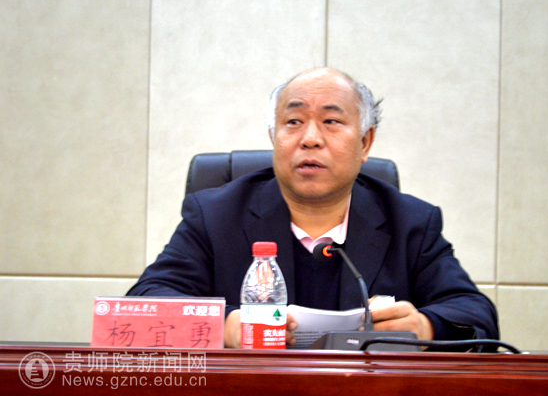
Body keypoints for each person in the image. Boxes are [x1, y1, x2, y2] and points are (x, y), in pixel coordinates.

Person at [127, 68, 499, 350]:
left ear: (365, 143)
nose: (310, 139)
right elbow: (145, 303)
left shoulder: (411, 222)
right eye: (293, 122)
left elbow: (475, 313)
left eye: (331, 122)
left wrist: (425, 327)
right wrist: (225, 327)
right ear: (274, 138)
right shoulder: (216, 215)